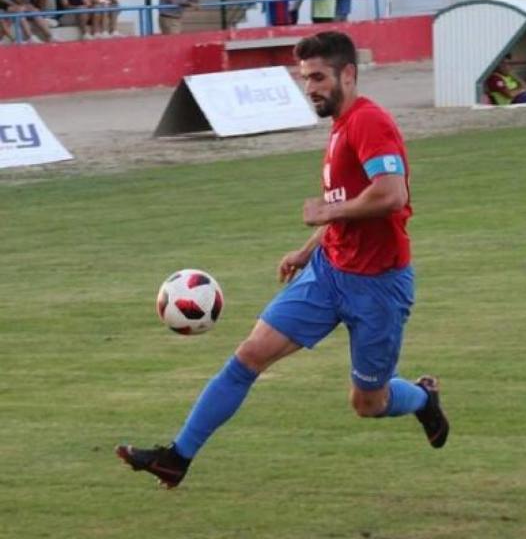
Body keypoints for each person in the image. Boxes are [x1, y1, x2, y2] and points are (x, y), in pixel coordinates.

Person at [115, 31, 450, 489]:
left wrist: (328, 211)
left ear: (348, 74)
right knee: (249, 355)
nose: (308, 87)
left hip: (378, 288)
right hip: (329, 272)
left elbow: (393, 195)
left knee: (367, 402)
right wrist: (309, 248)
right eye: (303, 78)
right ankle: (178, 457)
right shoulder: (341, 125)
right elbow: (350, 200)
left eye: (317, 77)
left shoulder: (370, 123)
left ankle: (422, 399)